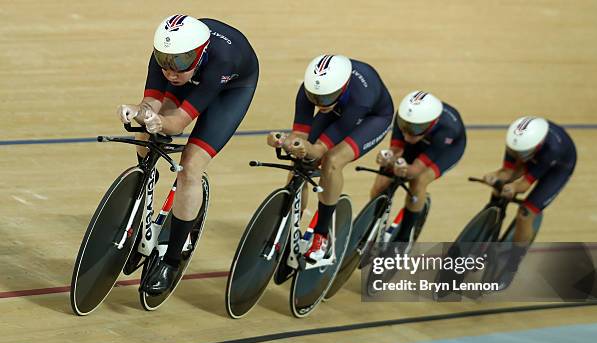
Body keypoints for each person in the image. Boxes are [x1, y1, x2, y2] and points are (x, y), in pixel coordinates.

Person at [117, 14, 259, 296]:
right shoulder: (169, 56)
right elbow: (151, 103)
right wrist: (139, 112)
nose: (170, 72)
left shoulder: (222, 61)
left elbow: (177, 124)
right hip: (198, 77)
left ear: (200, 53)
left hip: (231, 88)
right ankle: (140, 210)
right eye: (164, 62)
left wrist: (159, 120)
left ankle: (171, 259)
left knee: (190, 167)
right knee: (146, 132)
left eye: (180, 63)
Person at [268, 54, 394, 262]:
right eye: (315, 98)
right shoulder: (312, 91)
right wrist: (287, 142)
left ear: (342, 88)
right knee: (299, 161)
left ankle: (321, 234)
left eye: (324, 98)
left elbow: (319, 150)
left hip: (371, 118)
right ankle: (290, 226)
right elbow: (300, 137)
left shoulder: (361, 97)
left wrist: (306, 148)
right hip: (338, 107)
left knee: (332, 161)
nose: (319, 103)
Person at [484, 117, 577, 288]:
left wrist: (513, 188)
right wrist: (494, 177)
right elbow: (506, 172)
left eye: (522, 152)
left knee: (525, 213)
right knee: (500, 186)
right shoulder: (515, 142)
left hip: (558, 168)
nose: (518, 154)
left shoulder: (552, 149)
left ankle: (512, 265)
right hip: (533, 154)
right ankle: (488, 230)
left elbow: (524, 185)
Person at [371, 91, 466, 243]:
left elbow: (414, 169)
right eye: (405, 127)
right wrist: (387, 158)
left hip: (446, 149)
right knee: (383, 180)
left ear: (431, 125)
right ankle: (373, 225)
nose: (408, 134)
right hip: (423, 139)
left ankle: (403, 237)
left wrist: (404, 169)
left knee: (418, 180)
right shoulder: (403, 116)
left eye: (414, 129)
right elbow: (396, 151)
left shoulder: (447, 129)